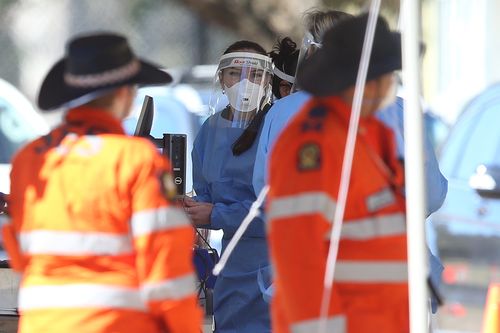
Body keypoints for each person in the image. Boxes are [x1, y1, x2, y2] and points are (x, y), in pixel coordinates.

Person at [1, 32, 202, 333]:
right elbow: (167, 271)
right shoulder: (138, 161)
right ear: (124, 93)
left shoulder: (30, 160)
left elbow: (20, 254)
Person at [267, 14, 411, 332]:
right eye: (388, 74)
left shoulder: (370, 134)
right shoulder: (313, 146)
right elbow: (299, 256)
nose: (392, 84)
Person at [183, 40, 273, 332]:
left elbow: (275, 212)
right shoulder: (210, 132)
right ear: (222, 79)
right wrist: (191, 209)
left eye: (256, 75)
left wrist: (215, 214)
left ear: (268, 80)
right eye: (235, 73)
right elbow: (207, 194)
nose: (245, 83)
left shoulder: (277, 127)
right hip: (232, 269)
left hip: (274, 266)